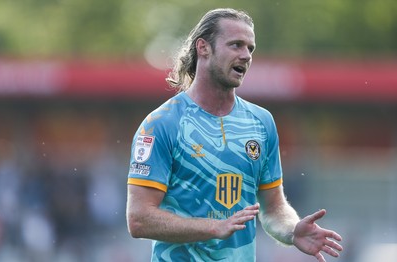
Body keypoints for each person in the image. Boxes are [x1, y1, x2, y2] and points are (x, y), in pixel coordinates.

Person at [126, 8, 343, 262]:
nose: (246, 56)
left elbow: (273, 208)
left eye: (250, 48)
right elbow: (139, 219)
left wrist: (292, 231)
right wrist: (212, 228)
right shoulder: (162, 124)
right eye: (236, 45)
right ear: (203, 48)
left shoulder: (261, 122)